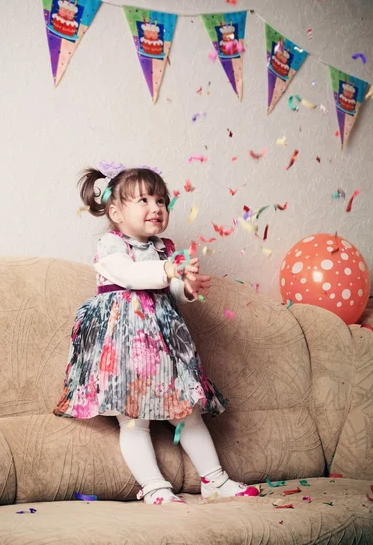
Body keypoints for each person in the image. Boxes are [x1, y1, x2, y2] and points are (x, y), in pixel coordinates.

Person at [54, 163, 259, 505]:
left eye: (162, 201)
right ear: (116, 212)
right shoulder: (111, 245)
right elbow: (131, 276)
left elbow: (172, 291)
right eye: (145, 200)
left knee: (187, 412)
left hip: (166, 349)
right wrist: (166, 269)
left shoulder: (165, 248)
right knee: (134, 420)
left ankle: (215, 480)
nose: (156, 208)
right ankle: (154, 485)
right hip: (125, 348)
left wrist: (187, 285)